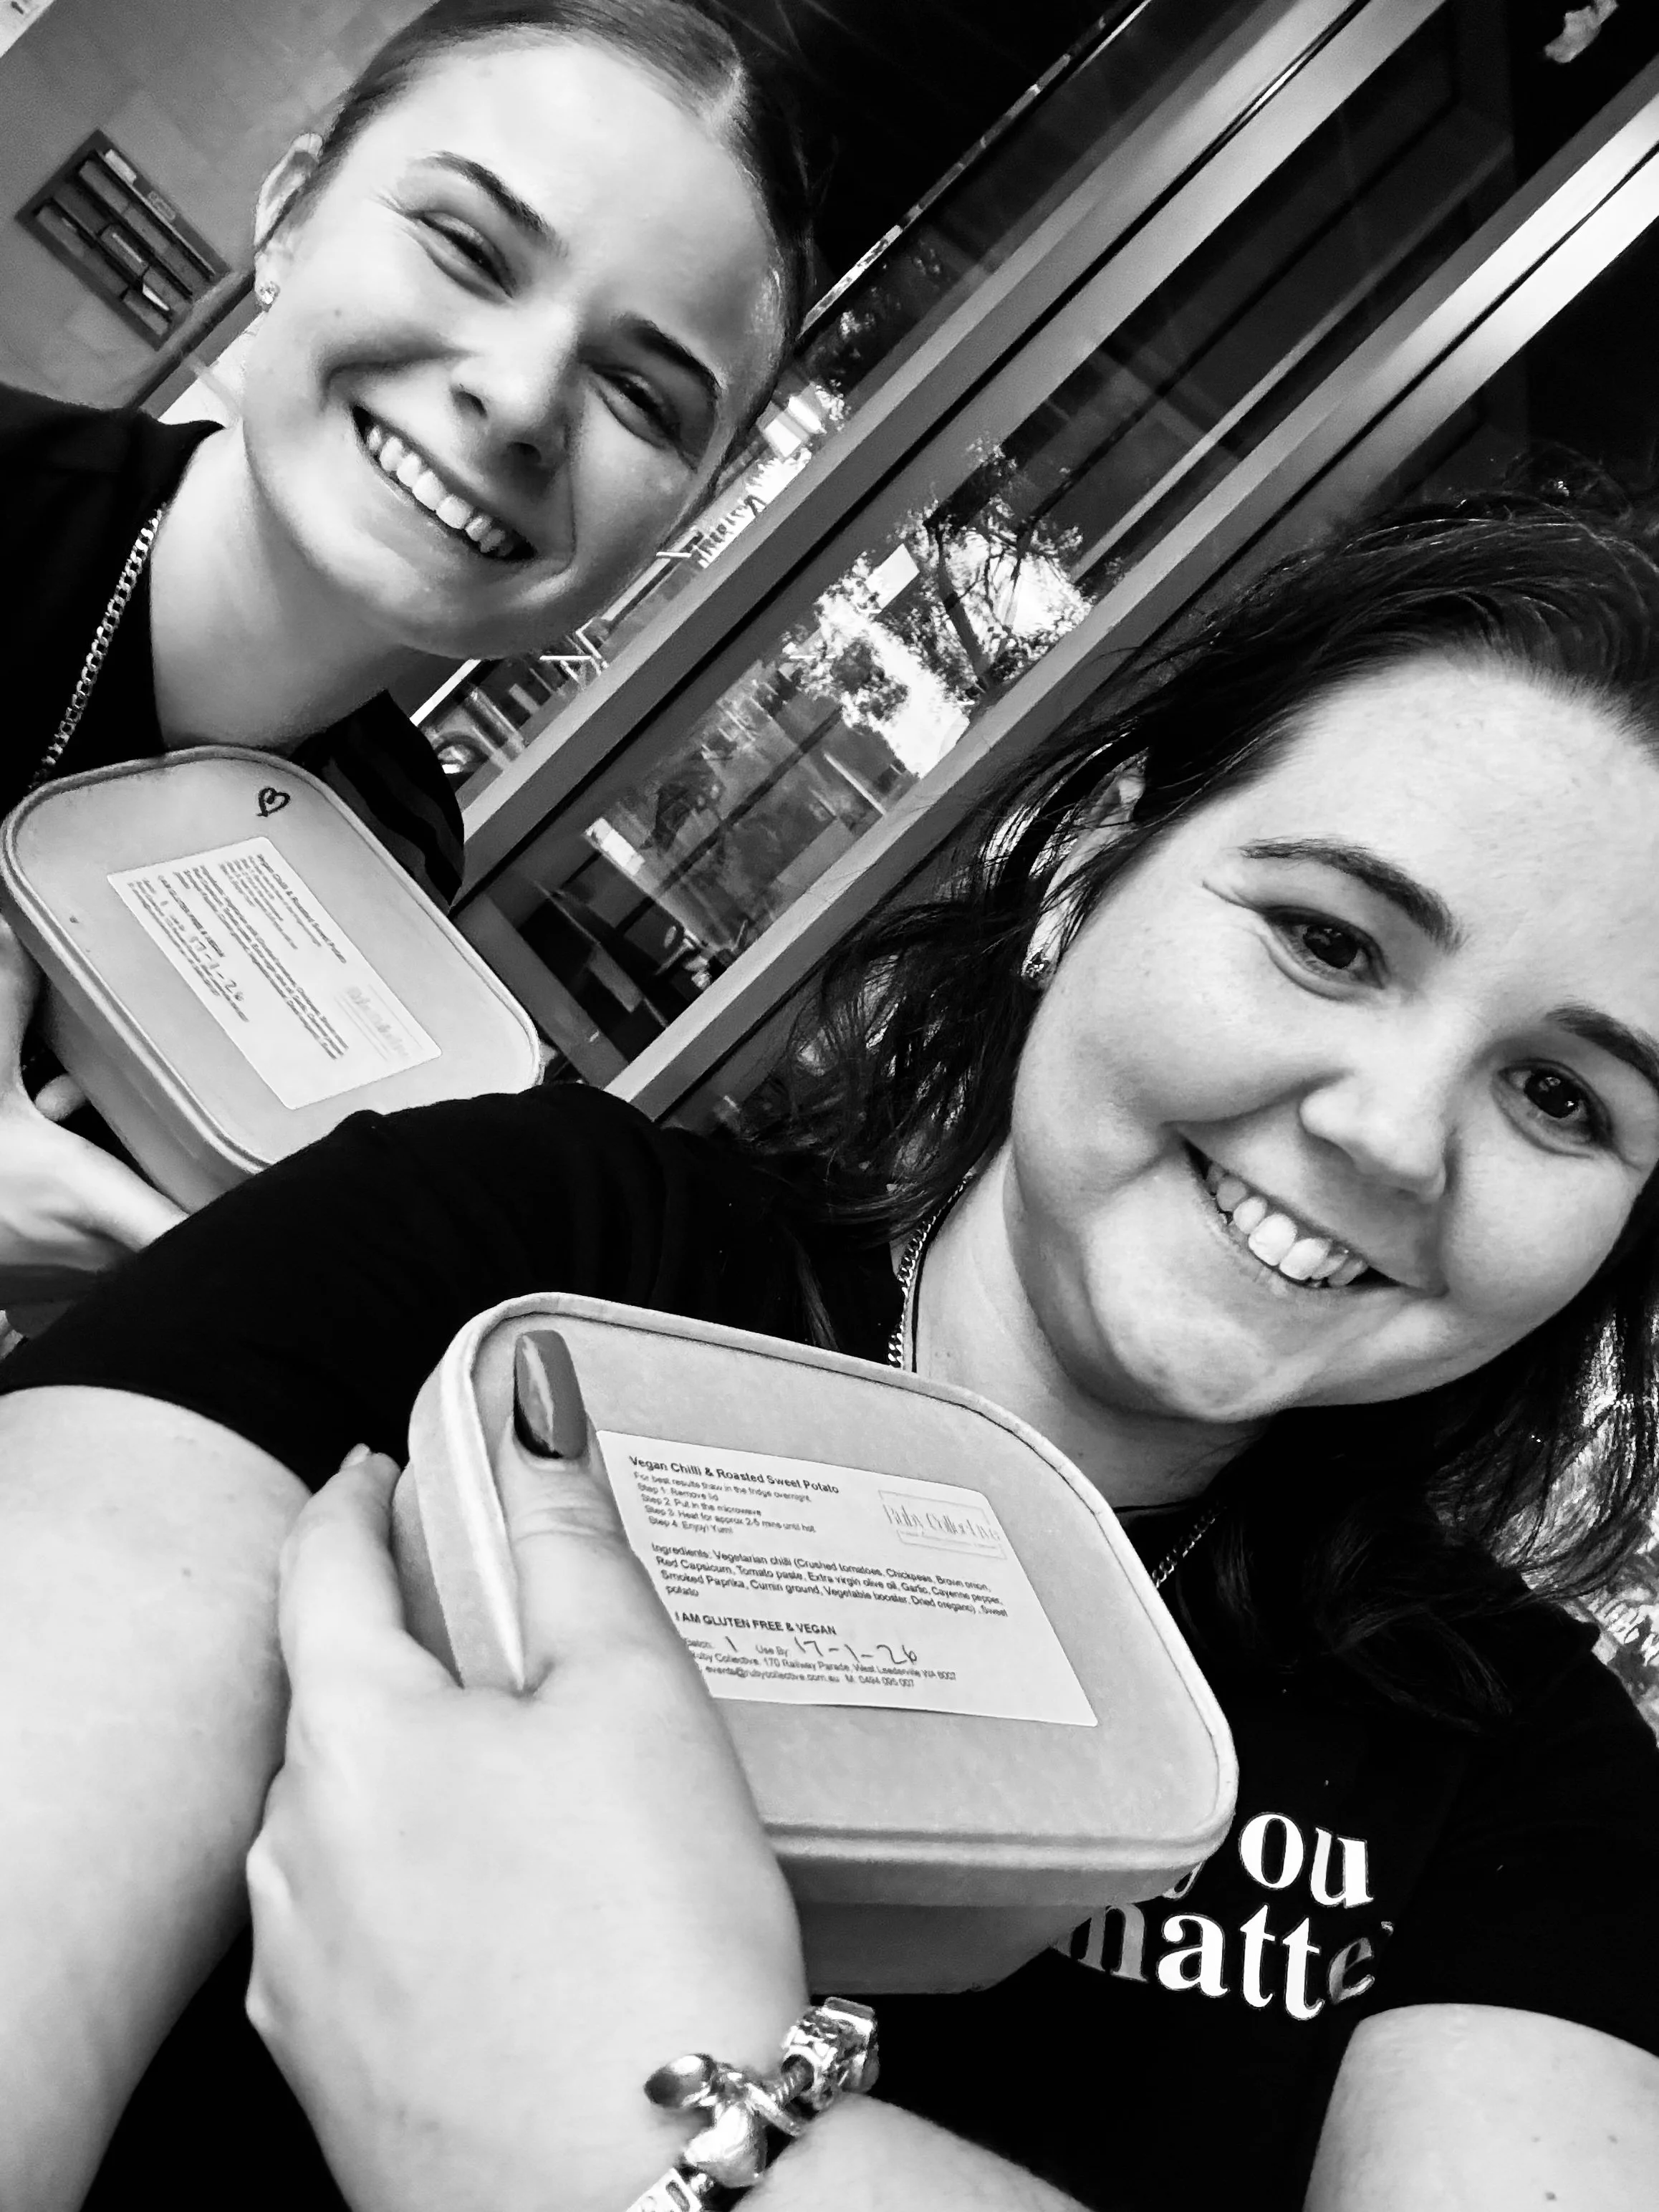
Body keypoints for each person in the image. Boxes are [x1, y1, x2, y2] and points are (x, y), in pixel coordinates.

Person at [2, 485, 1659, 2207]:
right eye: (1329, 940)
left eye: (1562, 1093)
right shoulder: (512, 1246)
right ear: (1087, 868)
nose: (1393, 1136)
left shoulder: (1524, 1766)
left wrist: (625, 2116)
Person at [0, 0, 812, 1307]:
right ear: (290, 217)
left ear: (683, 515)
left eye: (641, 395)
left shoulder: (396, 841)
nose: (522, 398)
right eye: (468, 248)